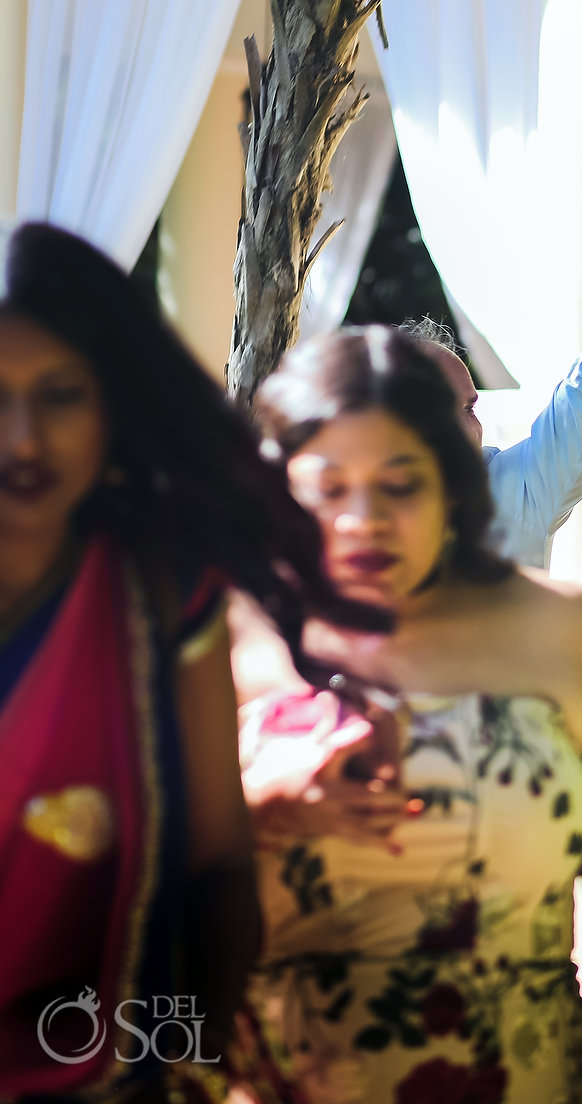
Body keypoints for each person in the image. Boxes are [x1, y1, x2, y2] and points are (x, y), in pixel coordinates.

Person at [240, 328, 582, 1104]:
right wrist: (255, 812)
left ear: (453, 481)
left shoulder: (566, 633)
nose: (364, 518)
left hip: (531, 1075)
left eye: (400, 483)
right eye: (328, 486)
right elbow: (126, 872)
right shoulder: (223, 633)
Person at [0, 222, 383, 1099]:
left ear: (110, 410)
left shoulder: (162, 592)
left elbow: (216, 867)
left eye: (59, 396)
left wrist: (196, 1068)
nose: (23, 440)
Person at [408, 109, 582, 569]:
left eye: (470, 408)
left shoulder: (511, 490)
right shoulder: (336, 513)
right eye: (441, 411)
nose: (470, 428)